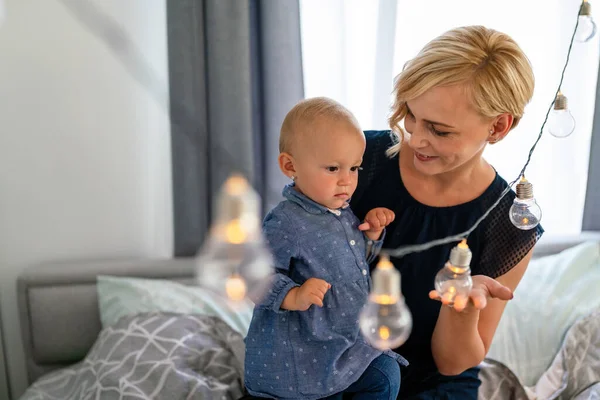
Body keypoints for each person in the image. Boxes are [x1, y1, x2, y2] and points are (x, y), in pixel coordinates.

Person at [350, 25, 544, 399]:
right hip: (334, 362)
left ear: (499, 126)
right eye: (411, 114)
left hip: (430, 383)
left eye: (439, 131)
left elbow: (453, 365)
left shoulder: (510, 224)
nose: (416, 138)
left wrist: (463, 308)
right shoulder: (360, 161)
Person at [244, 97, 407, 400]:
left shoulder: (341, 212)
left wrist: (371, 236)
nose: (346, 180)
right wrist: (293, 294)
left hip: (343, 343)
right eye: (333, 168)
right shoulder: (285, 222)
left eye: (354, 168)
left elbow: (353, 264)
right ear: (290, 165)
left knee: (384, 375)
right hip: (304, 355)